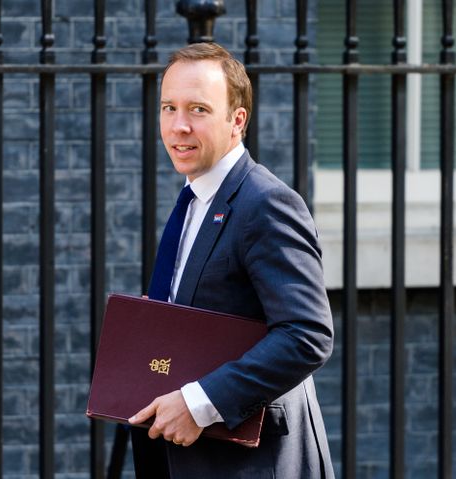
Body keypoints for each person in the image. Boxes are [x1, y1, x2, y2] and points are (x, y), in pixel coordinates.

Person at [128, 42, 335, 478]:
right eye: (169, 108)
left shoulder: (267, 202)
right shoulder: (194, 199)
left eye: (198, 110)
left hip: (254, 463)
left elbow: (307, 334)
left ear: (236, 120)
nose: (178, 126)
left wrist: (200, 404)